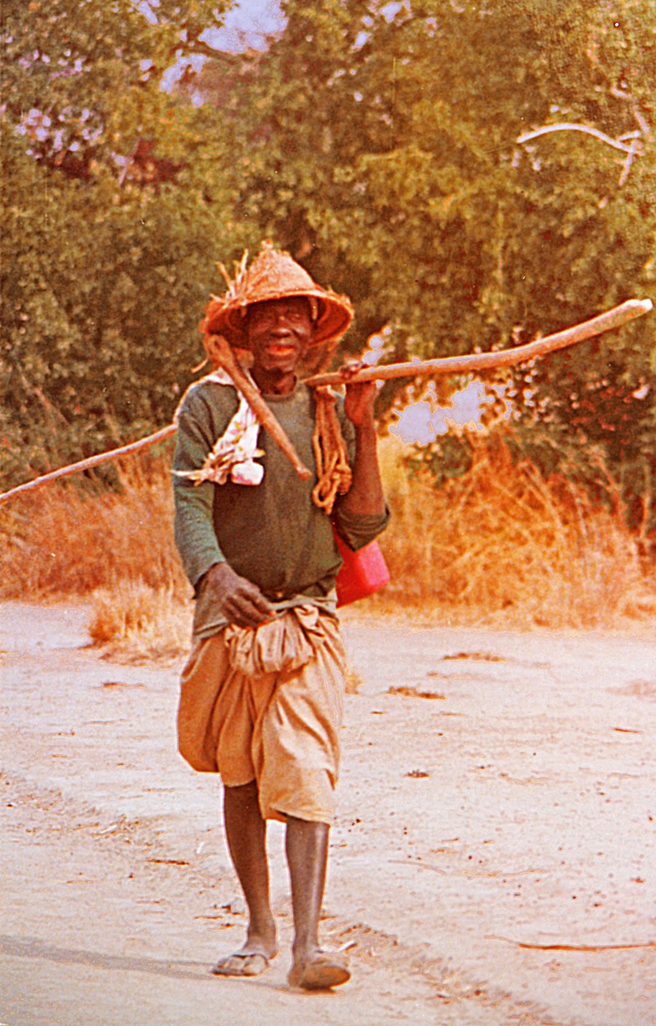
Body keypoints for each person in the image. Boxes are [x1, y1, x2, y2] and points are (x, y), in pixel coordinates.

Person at [172, 243, 389, 991]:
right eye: (267, 317)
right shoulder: (207, 404)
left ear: (312, 331)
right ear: (244, 329)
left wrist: (364, 428)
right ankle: (259, 930)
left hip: (307, 620)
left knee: (303, 775)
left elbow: (361, 528)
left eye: (295, 317)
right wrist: (216, 574)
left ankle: (307, 946)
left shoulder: (328, 405)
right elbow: (188, 507)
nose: (282, 330)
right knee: (240, 776)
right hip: (230, 624)